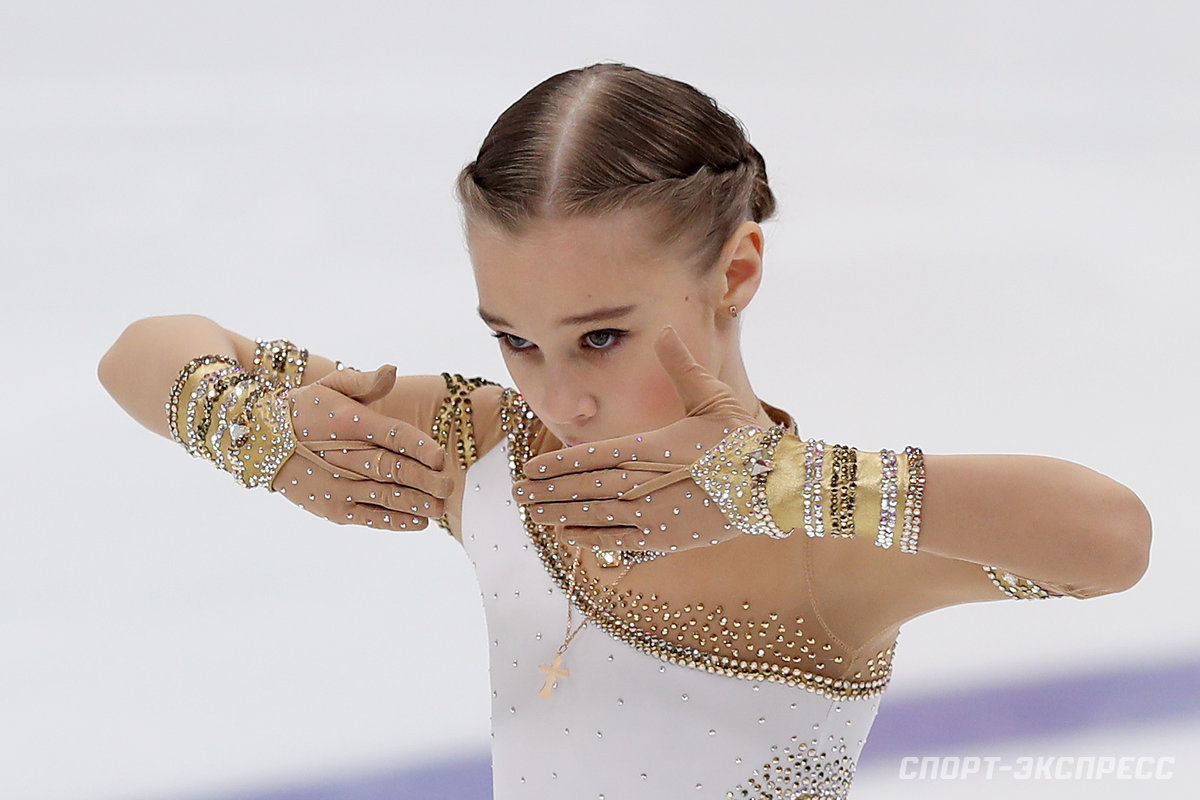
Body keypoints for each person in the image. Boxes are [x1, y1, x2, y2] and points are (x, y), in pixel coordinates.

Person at [98, 62, 1152, 799]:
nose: (560, 397)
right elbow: (141, 351)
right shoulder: (485, 449)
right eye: (515, 337)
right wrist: (255, 428)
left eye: (601, 336)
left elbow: (1109, 537)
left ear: (734, 271)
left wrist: (788, 483)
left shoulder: (824, 552)